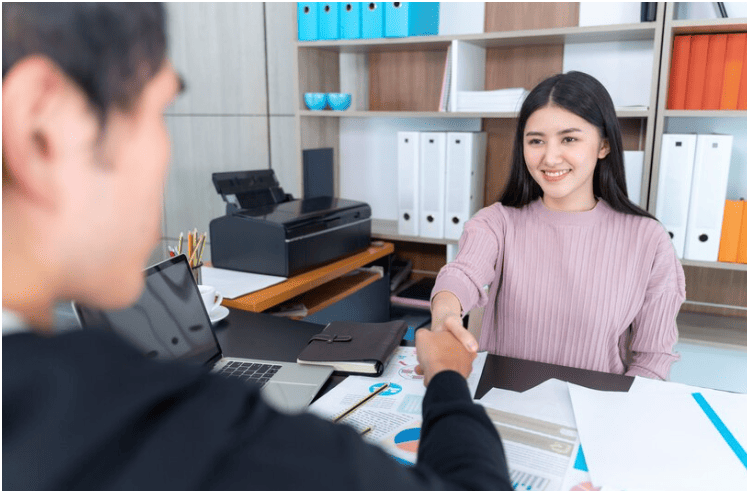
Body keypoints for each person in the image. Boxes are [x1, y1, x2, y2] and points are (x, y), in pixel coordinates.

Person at [2, 3, 511, 490]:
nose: (164, 152)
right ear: (42, 129)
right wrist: (446, 377)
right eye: (157, 111)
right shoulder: (162, 427)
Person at [431, 71, 686, 380]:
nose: (550, 158)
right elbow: (463, 274)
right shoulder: (497, 222)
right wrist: (445, 312)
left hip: (600, 413)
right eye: (536, 141)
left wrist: (617, 418)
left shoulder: (648, 238)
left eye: (569, 139)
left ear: (603, 145)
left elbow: (653, 359)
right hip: (506, 405)